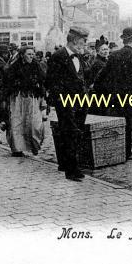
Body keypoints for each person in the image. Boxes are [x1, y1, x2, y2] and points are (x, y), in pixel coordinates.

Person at [46, 26, 91, 181]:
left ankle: (68, 165)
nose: (85, 44)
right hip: (66, 103)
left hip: (80, 103)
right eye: (83, 41)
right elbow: (52, 82)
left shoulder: (79, 57)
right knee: (69, 133)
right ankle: (71, 170)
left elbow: (83, 79)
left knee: (76, 133)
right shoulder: (58, 56)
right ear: (74, 41)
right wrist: (62, 102)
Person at [95, 27, 132, 160]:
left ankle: (116, 150)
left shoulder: (113, 55)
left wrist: (100, 90)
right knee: (128, 122)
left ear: (123, 40)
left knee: (116, 122)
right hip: (131, 96)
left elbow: (102, 76)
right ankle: (127, 151)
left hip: (115, 95)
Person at [5, 45, 47, 157]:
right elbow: (8, 82)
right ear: (22, 55)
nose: (31, 56)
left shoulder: (36, 65)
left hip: (32, 98)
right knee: (17, 123)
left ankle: (34, 145)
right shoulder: (14, 67)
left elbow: (43, 79)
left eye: (32, 54)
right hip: (18, 98)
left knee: (34, 124)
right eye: (29, 54)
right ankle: (17, 149)